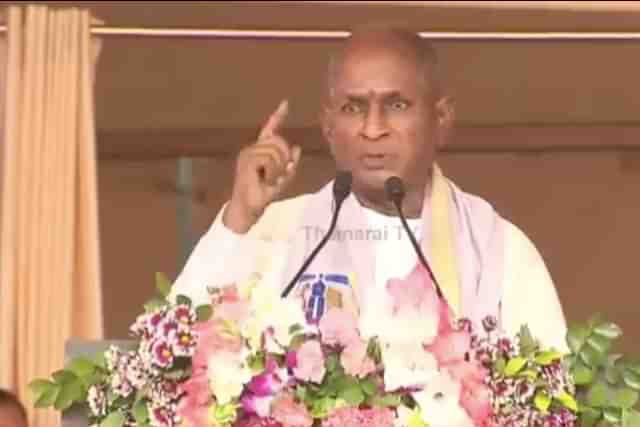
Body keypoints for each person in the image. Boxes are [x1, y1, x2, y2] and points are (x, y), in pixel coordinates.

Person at [171, 27, 567, 350]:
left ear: (441, 118)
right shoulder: (276, 231)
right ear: (327, 126)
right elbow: (176, 346)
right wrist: (239, 216)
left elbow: (548, 395)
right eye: (353, 107)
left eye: (396, 106)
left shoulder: (497, 250)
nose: (373, 129)